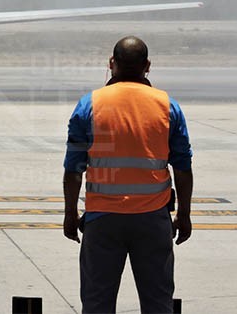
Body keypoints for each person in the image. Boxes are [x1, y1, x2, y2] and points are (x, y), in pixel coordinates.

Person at [62, 36, 193, 314]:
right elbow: (182, 167)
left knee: (97, 303)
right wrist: (184, 214)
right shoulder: (168, 106)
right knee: (158, 303)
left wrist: (70, 213)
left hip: (102, 219)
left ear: (112, 64)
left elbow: (73, 169)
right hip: (152, 218)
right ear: (147, 66)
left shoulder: (89, 105)